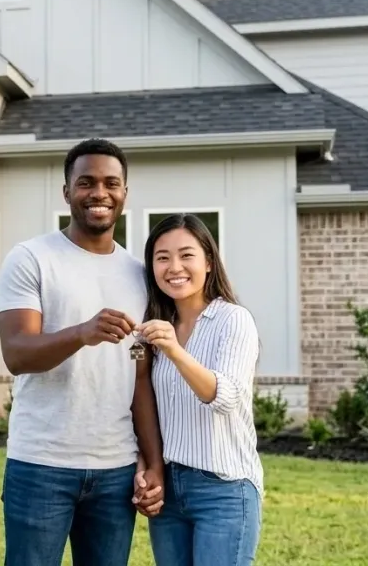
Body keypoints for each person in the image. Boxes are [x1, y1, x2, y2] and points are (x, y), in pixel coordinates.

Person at [0, 138, 165, 566]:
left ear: (125, 192)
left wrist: (153, 461)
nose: (99, 193)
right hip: (41, 464)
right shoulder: (31, 258)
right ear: (67, 191)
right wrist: (81, 333)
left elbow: (139, 377)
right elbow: (17, 354)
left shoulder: (138, 274)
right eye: (86, 182)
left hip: (115, 467)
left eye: (111, 183)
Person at [132, 213, 264, 566]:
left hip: (223, 488)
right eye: (162, 257)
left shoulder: (233, 320)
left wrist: (175, 350)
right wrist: (145, 465)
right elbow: (145, 403)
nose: (174, 266)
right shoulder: (155, 330)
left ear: (208, 261)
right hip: (169, 492)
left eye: (186, 255)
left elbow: (225, 396)